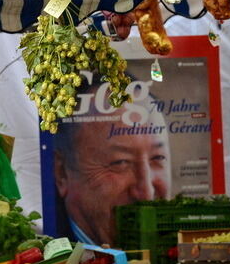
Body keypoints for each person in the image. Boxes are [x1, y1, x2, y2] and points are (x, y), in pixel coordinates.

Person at [52, 80, 170, 247]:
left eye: (157, 158)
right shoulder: (48, 260)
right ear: (62, 173)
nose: (146, 193)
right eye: (120, 162)